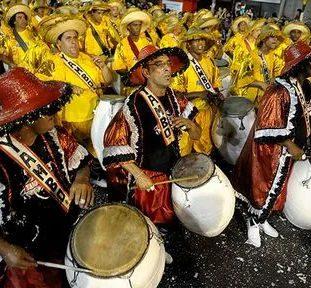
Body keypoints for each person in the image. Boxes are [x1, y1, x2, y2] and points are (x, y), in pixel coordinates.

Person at [0, 67, 93, 287]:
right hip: (23, 260)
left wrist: (82, 179)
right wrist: (4, 249)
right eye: (46, 108)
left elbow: (81, 162)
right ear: (26, 118)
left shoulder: (54, 134)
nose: (54, 111)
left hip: (65, 239)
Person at [232, 42, 311, 248]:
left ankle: (262, 220)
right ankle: (253, 222)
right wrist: (291, 145)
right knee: (264, 187)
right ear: (299, 65)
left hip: (291, 150)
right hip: (272, 151)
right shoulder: (278, 91)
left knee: (278, 188)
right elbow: (267, 126)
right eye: (310, 62)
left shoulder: (305, 87)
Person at [103, 45, 200, 226]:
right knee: (147, 224)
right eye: (159, 64)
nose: (167, 68)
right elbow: (113, 145)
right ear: (146, 72)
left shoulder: (175, 97)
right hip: (148, 177)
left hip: (173, 171)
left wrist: (190, 125)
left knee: (170, 222)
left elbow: (196, 134)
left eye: (168, 64)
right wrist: (139, 175)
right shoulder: (133, 105)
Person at [35, 16, 113, 155]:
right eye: (68, 38)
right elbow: (40, 85)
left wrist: (103, 67)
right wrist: (66, 87)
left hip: (94, 116)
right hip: (68, 120)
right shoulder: (52, 62)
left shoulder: (88, 58)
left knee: (96, 153)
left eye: (75, 38)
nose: (73, 42)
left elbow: (107, 81)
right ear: (59, 43)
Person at [171, 27, 222, 156]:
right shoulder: (182, 65)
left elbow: (215, 85)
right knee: (183, 150)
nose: (201, 44)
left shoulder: (209, 61)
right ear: (188, 44)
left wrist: (218, 95)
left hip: (206, 113)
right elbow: (175, 94)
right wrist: (199, 94)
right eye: (196, 41)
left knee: (205, 149)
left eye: (203, 41)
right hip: (187, 114)